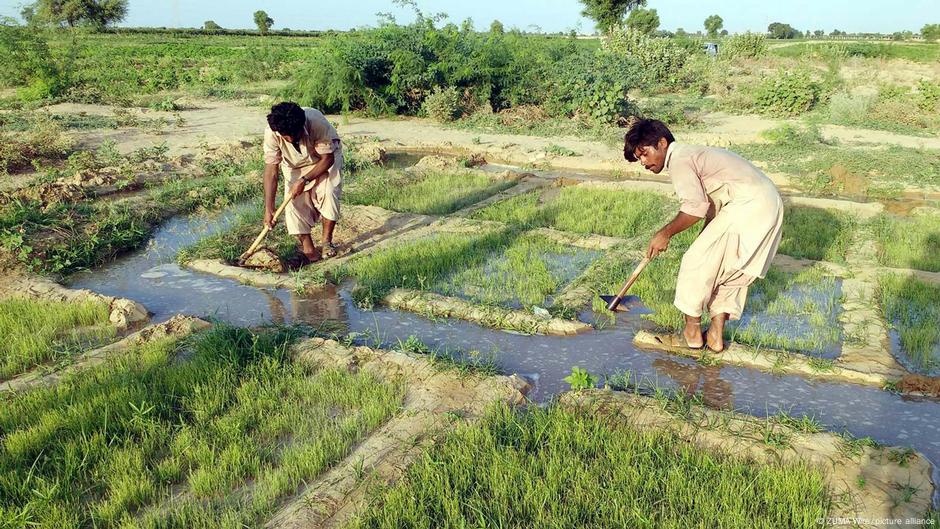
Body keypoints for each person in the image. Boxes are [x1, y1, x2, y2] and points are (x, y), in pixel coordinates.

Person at [624, 119, 784, 352]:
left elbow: (695, 206)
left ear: (662, 143)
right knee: (725, 272)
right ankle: (715, 337)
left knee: (695, 262)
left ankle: (691, 334)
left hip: (748, 205)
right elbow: (709, 208)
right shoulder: (692, 155)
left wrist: (664, 233)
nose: (644, 162)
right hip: (769, 205)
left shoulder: (679, 160)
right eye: (639, 159)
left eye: (645, 154)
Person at [262, 101, 343, 263]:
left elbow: (327, 159)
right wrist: (269, 208)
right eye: (286, 136)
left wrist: (304, 180)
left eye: (295, 134)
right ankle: (309, 250)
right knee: (293, 203)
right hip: (294, 164)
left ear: (302, 125)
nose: (291, 139)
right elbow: (271, 171)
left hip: (323, 157)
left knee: (328, 192)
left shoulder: (316, 122)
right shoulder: (272, 133)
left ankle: (327, 242)